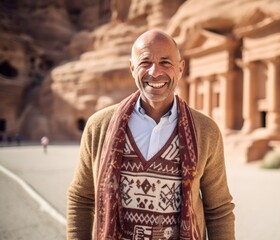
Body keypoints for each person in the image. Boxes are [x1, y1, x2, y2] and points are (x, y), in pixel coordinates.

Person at [67, 30, 235, 240]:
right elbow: (81, 198)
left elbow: (219, 209)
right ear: (132, 67)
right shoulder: (99, 126)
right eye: (146, 62)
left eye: (166, 62)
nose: (155, 73)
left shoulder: (205, 131)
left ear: (180, 68)